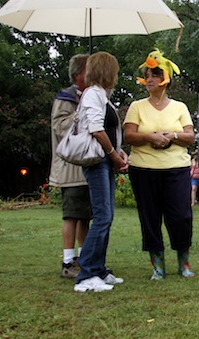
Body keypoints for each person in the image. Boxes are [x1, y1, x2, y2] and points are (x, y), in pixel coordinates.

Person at [124, 50, 196, 280]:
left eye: (155, 74)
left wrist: (172, 135)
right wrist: (150, 137)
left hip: (176, 169)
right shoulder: (137, 107)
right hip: (143, 170)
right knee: (150, 217)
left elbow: (190, 137)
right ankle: (158, 266)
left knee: (181, 216)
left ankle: (183, 264)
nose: (150, 79)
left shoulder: (180, 107)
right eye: (147, 75)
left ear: (165, 79)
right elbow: (129, 136)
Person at [74, 51, 129, 292]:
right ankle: (86, 275)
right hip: (97, 162)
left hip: (105, 160)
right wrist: (114, 156)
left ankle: (99, 269)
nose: (117, 75)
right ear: (107, 71)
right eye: (115, 70)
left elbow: (108, 129)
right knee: (102, 216)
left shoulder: (103, 97)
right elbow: (96, 129)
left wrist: (119, 152)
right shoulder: (92, 95)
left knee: (106, 217)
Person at [49, 54, 92, 279]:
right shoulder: (66, 98)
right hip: (70, 168)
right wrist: (82, 109)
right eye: (89, 70)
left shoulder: (90, 96)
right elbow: (60, 127)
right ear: (78, 74)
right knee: (71, 215)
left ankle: (83, 259)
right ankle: (67, 261)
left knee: (84, 215)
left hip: (86, 166)